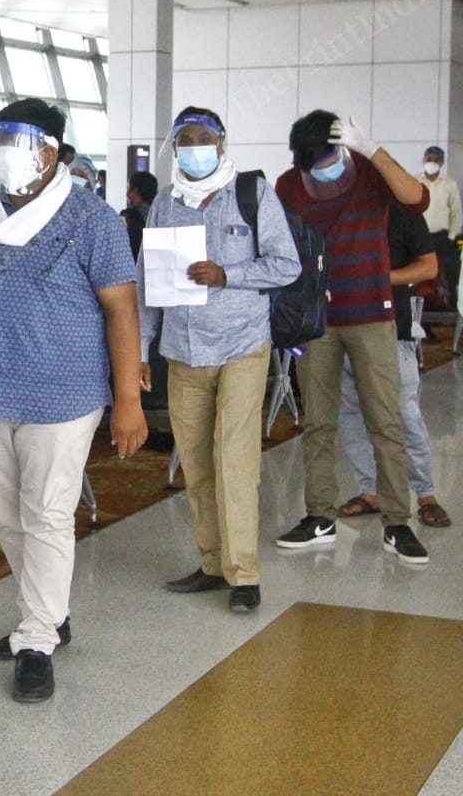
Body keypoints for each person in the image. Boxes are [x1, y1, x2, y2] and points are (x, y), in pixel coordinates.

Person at [0, 98, 147, 703]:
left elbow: (122, 308)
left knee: (47, 515)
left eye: (17, 145)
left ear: (51, 152)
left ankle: (38, 637)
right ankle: (46, 612)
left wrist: (128, 399)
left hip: (62, 391)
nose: (5, 156)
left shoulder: (90, 218)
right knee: (3, 515)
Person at [138, 108, 301, 613]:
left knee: (235, 460)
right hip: (184, 353)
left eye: (203, 138)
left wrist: (228, 274)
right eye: (184, 139)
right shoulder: (165, 203)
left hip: (241, 345)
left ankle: (244, 573)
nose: (194, 146)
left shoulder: (252, 194)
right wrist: (142, 348)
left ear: (222, 145)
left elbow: (286, 264)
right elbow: (147, 282)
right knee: (199, 465)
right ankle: (212, 563)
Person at [274, 111, 431, 564]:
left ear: (343, 147)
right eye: (311, 165)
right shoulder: (289, 185)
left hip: (372, 315)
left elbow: (416, 199)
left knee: (385, 421)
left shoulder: (367, 172)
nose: (321, 171)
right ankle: (319, 516)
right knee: (318, 422)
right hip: (317, 321)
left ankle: (398, 522)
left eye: (328, 159)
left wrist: (371, 149)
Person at [336, 205, 451, 528]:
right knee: (350, 413)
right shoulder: (339, 212)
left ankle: (425, 494)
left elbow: (428, 268)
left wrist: (380, 279)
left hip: (392, 331)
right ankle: (369, 490)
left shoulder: (402, 214)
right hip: (341, 328)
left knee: (405, 413)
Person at [416, 145, 462, 309]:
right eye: (429, 159)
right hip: (420, 236)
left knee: (444, 273)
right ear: (424, 160)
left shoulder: (449, 184)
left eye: (436, 160)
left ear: (442, 162)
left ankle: (447, 306)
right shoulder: (416, 181)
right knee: (420, 273)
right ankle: (421, 309)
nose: (432, 163)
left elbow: (457, 212)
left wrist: (452, 235)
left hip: (442, 238)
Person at [121, 171, 158, 260]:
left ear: (135, 190)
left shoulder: (126, 217)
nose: (127, 194)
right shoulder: (162, 216)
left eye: (129, 188)